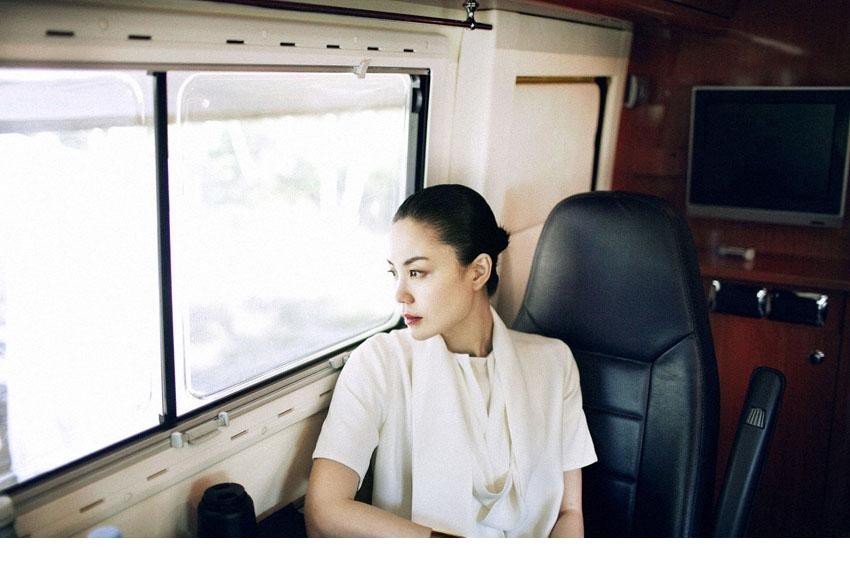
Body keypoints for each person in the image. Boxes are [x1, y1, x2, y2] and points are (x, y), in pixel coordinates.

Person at [305, 184, 596, 537]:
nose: (400, 294)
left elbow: (568, 511)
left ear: (478, 271)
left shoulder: (553, 363)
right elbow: (324, 510)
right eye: (395, 273)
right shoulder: (381, 362)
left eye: (417, 272)